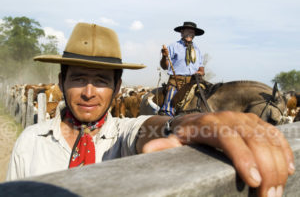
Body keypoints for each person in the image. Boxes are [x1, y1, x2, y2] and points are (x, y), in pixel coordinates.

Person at [6, 22, 294, 197]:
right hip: (176, 80)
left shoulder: (125, 132)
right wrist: (166, 59)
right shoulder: (29, 142)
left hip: (194, 79)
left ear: (117, 88)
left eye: (102, 81)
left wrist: (186, 125)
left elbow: (152, 127)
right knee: (169, 99)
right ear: (61, 81)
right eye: (79, 78)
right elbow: (167, 68)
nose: (89, 92)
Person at [160, 21, 205, 116]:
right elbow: (165, 66)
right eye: (187, 31)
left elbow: (201, 68)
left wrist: (200, 72)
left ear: (194, 35)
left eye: (192, 32)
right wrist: (164, 57)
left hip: (193, 82)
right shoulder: (173, 46)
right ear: (182, 32)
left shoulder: (197, 49)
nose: (190, 34)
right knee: (168, 108)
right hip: (176, 82)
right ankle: (167, 125)